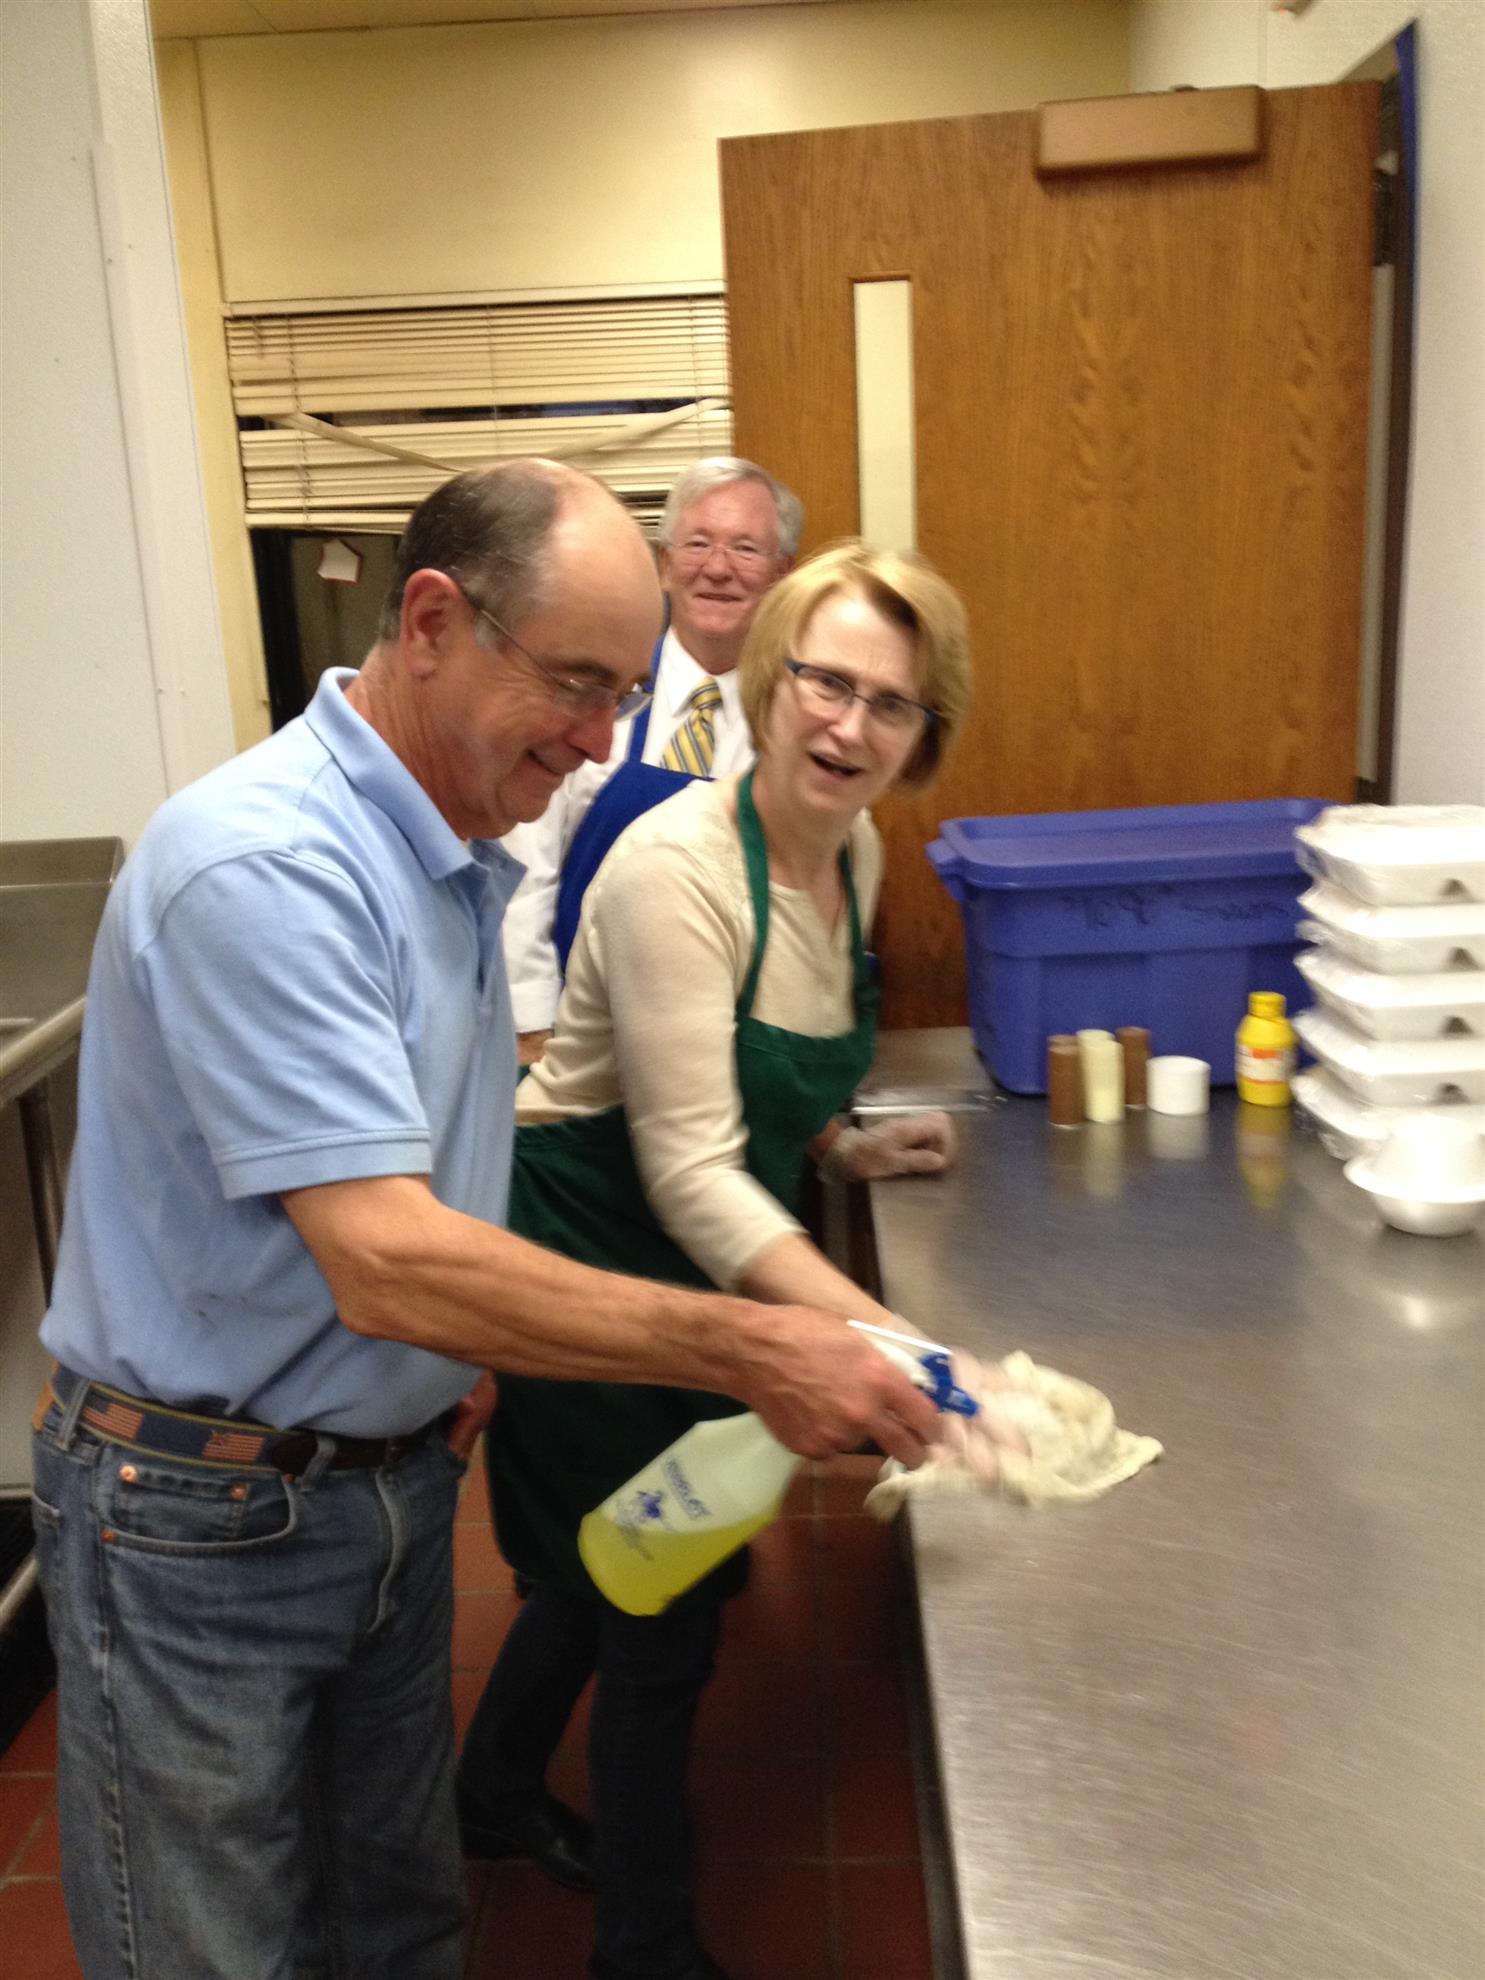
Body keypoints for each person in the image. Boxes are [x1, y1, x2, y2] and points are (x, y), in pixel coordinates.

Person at [30, 464, 944, 1980]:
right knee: (220, 1950)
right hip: (194, 1521)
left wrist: (450, 1372)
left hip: (374, 1487)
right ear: (435, 620)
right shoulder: (267, 862)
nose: (600, 740)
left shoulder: (449, 845)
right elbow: (385, 1258)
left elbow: (440, 1160)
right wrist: (756, 1346)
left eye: (620, 692)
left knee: (398, 1922)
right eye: (576, 686)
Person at [459, 541, 1013, 1980]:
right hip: (594, 1257)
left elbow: (750, 1095)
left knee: (614, 1566)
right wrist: (921, 1356)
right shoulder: (675, 870)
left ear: (921, 731)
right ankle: (645, 1943)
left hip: (711, 1264)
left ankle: (491, 1787)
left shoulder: (857, 846)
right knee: (662, 1600)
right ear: (771, 682)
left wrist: (839, 1151)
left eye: (889, 704)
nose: (847, 725)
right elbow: (687, 1165)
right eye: (824, 681)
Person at [501, 456, 801, 1063]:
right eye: (696, 544)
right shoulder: (587, 696)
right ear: (664, 565)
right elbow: (524, 869)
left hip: (735, 1053)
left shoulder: (799, 728)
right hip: (579, 1048)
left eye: (745, 549)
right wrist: (532, 1027)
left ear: (781, 573)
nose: (717, 569)